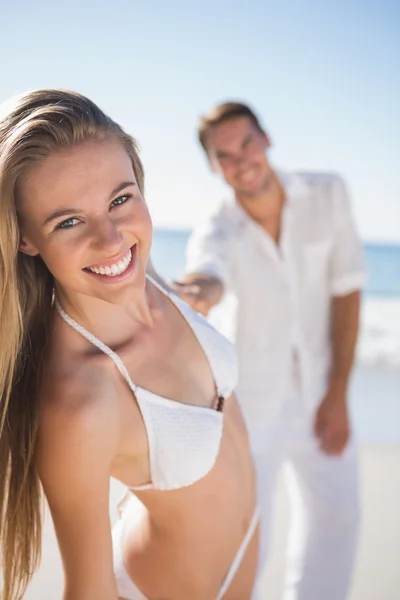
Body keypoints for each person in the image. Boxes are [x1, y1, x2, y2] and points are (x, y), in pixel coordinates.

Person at [0, 90, 260, 600]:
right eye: (68, 221)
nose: (113, 239)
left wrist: (211, 286)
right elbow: (88, 590)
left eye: (121, 199)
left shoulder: (143, 273)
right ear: (25, 238)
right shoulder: (80, 401)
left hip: (245, 559)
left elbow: (188, 291)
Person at [175, 102, 366, 600]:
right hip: (251, 408)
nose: (241, 161)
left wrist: (339, 392)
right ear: (214, 167)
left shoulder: (328, 194)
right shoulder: (217, 226)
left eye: (247, 144)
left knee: (338, 519)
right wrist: (203, 291)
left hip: (325, 391)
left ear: (266, 139)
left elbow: (348, 292)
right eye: (225, 155)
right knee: (247, 540)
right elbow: (207, 270)